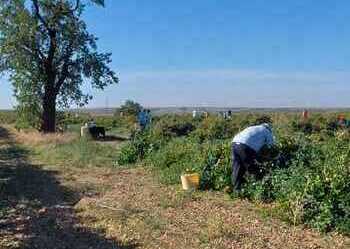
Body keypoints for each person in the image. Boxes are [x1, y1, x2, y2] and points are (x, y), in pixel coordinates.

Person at [231, 123, 275, 191]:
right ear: (269, 128)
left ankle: (236, 190)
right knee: (252, 167)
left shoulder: (253, 127)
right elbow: (272, 145)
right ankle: (259, 188)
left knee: (237, 168)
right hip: (245, 146)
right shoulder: (267, 131)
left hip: (234, 143)